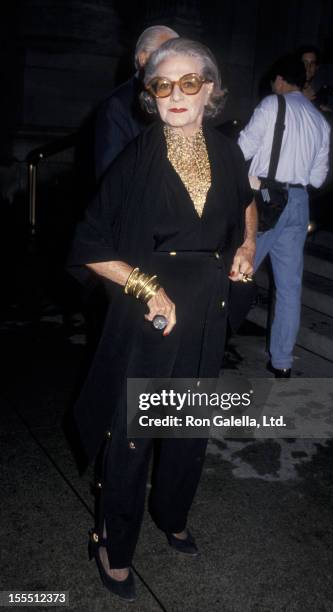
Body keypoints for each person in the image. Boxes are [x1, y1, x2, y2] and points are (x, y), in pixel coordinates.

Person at [68, 37, 255, 600]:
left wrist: (247, 246)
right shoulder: (137, 158)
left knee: (189, 429)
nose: (176, 94)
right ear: (151, 96)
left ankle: (172, 514)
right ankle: (114, 544)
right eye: (162, 85)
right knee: (134, 433)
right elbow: (88, 245)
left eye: (189, 82)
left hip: (207, 312)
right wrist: (147, 287)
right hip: (152, 313)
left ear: (211, 91)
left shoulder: (227, 151)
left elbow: (248, 200)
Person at [238, 54, 330, 377]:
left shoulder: (271, 105)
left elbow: (241, 151)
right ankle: (282, 362)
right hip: (299, 201)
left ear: (279, 80)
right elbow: (318, 178)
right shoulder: (320, 121)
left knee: (236, 271)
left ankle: (211, 340)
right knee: (289, 287)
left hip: (266, 201)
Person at [95, 25, 179, 180]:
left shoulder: (178, 100)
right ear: (143, 59)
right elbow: (110, 175)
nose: (175, 64)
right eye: (166, 55)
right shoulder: (117, 105)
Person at [299, 45, 333, 115]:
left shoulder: (322, 90)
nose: (308, 67)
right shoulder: (287, 87)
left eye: (312, 63)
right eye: (304, 63)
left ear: (316, 67)